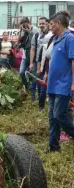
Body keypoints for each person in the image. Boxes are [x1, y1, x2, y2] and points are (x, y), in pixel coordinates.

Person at [46, 11, 74, 152]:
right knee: (52, 118)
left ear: (58, 23)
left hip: (63, 84)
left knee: (59, 115)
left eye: (51, 24)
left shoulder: (69, 39)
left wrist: (73, 82)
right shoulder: (56, 39)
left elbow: (73, 61)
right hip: (52, 84)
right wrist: (46, 74)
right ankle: (53, 147)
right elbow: (52, 61)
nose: (50, 27)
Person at [18, 17, 38, 98]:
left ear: (29, 23)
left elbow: (37, 39)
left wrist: (28, 31)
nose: (24, 26)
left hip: (33, 56)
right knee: (21, 72)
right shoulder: (22, 31)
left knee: (33, 75)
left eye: (25, 24)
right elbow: (19, 41)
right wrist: (20, 31)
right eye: (23, 25)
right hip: (25, 56)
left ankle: (33, 95)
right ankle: (27, 86)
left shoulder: (35, 29)